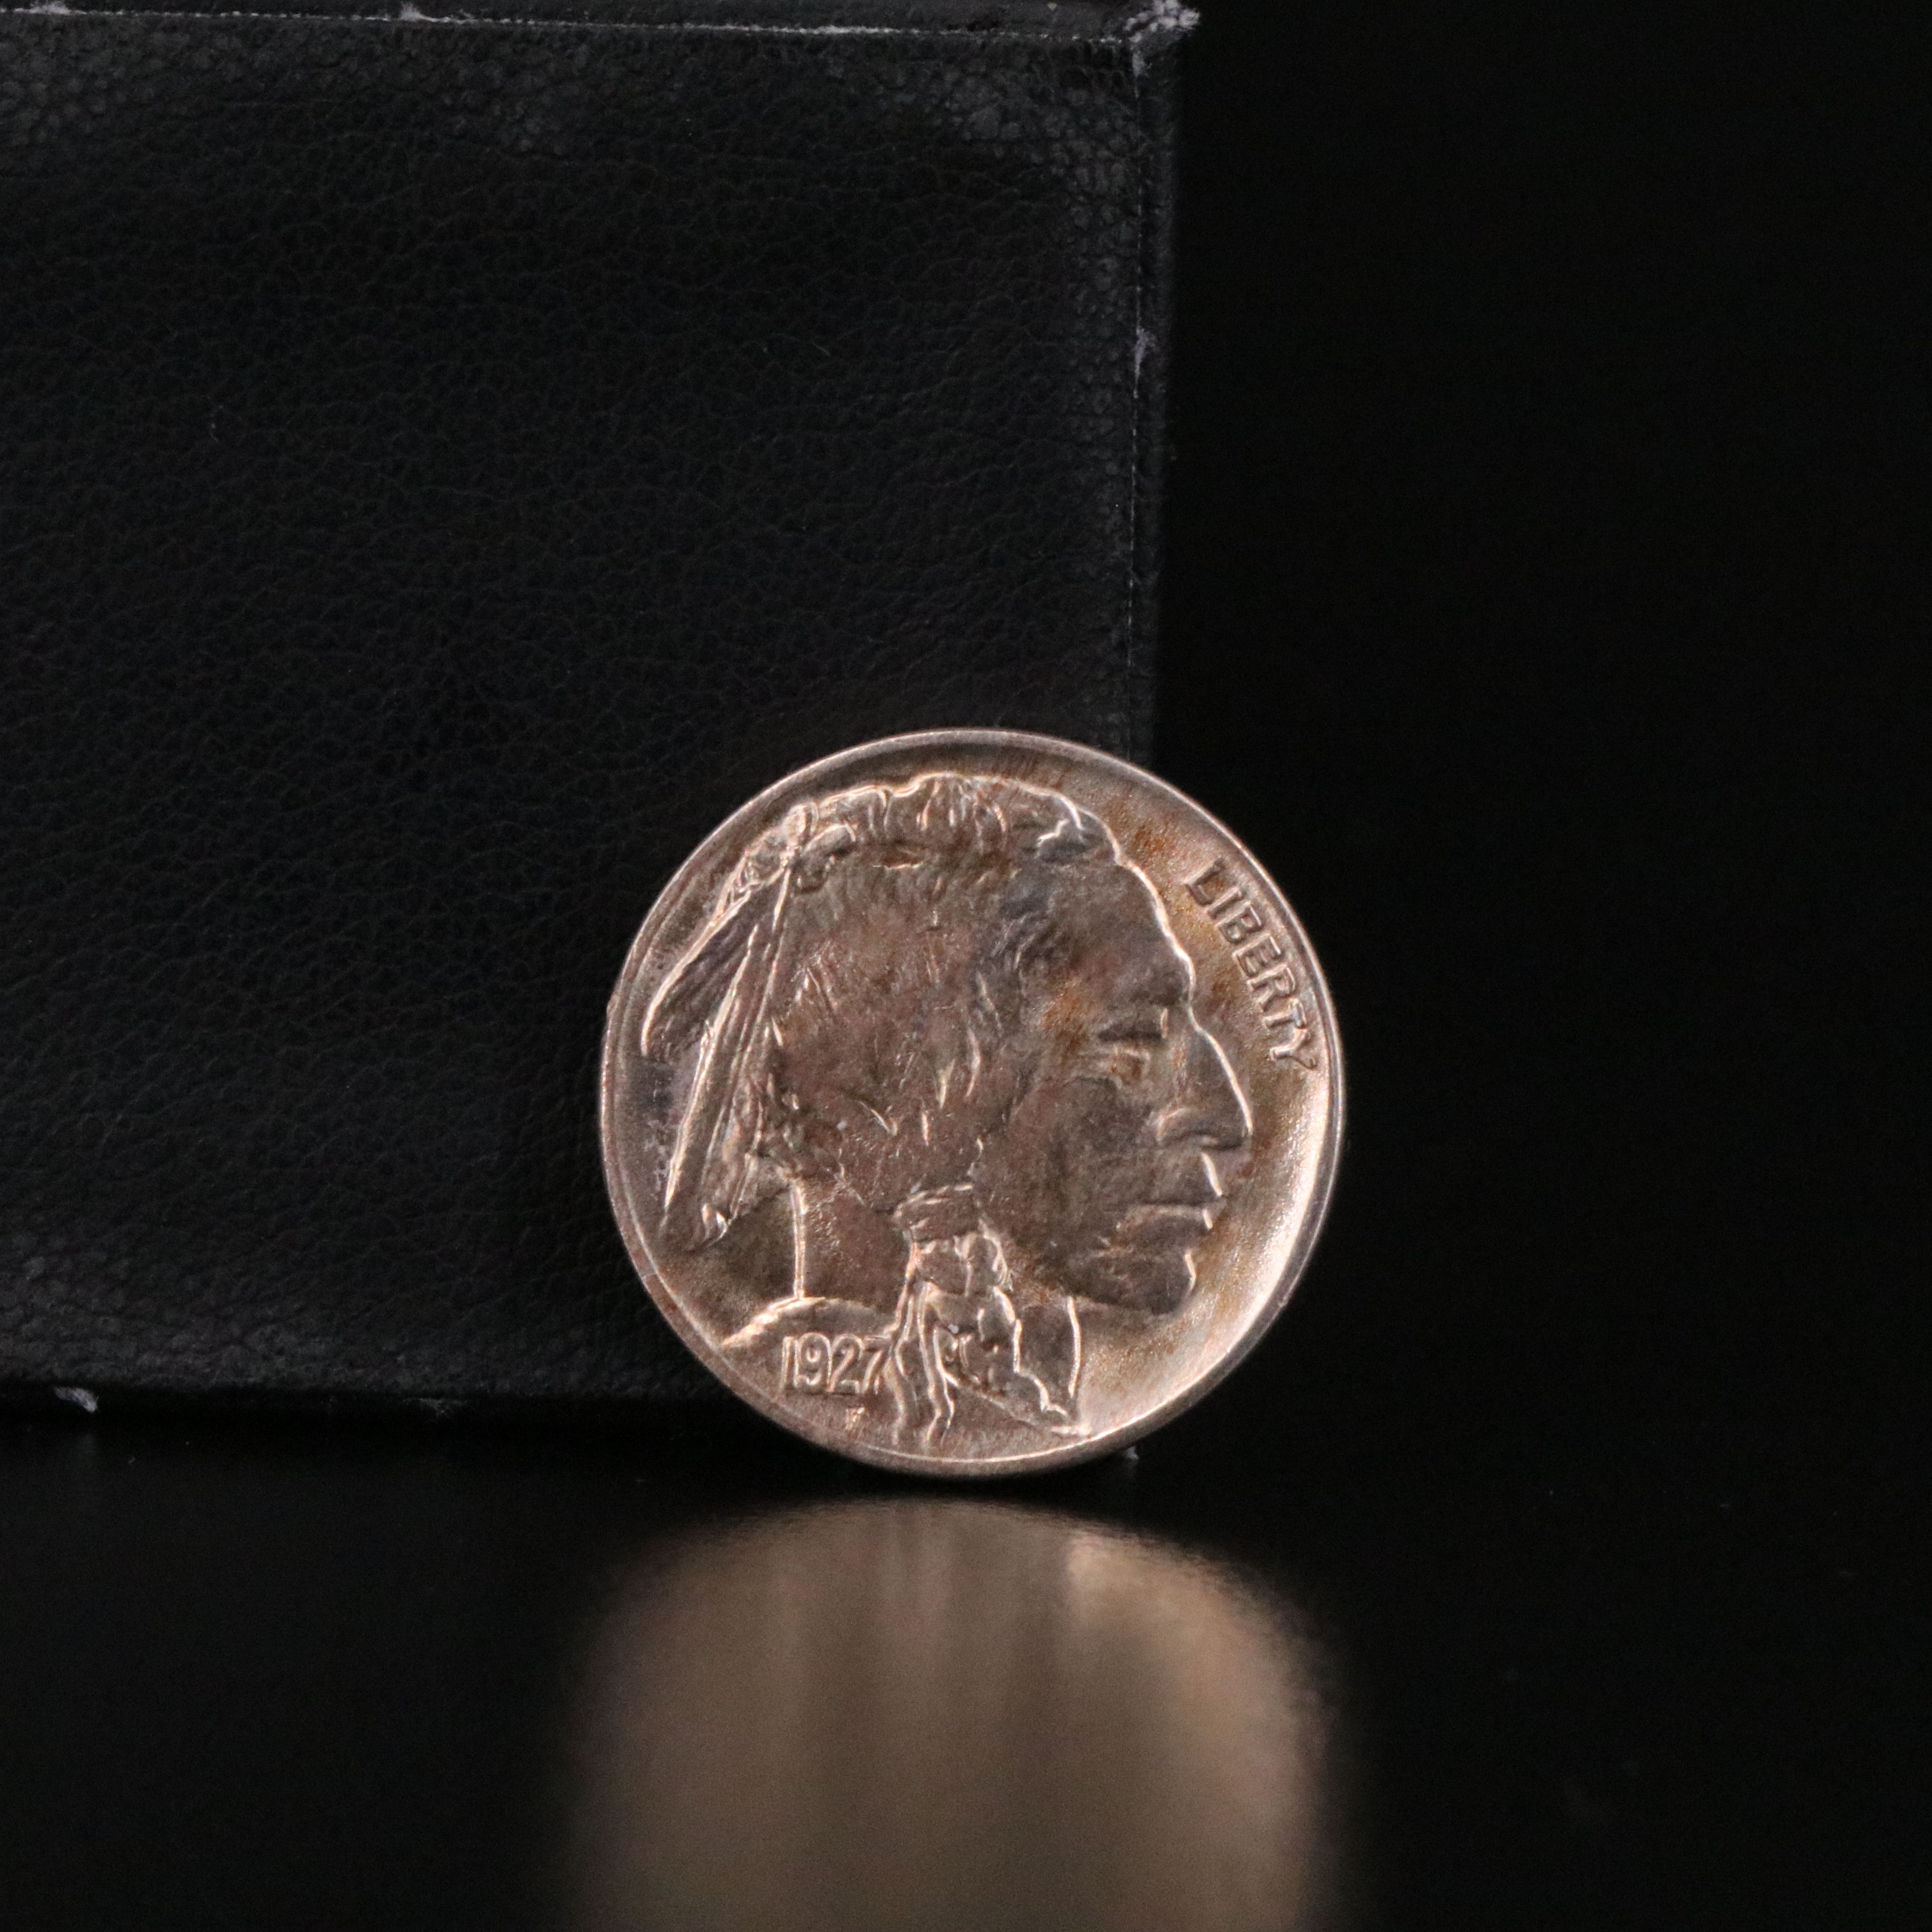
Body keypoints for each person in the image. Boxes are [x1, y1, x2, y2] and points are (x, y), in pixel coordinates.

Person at [641, 771, 1250, 1448]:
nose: (1226, 1117)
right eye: (1131, 1041)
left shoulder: (1021, 1388)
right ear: (891, 1127)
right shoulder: (937, 1395)